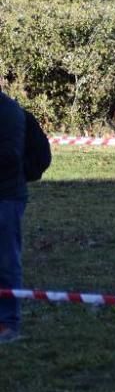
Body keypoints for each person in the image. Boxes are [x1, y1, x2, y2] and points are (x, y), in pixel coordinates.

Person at [0, 90, 31, 343]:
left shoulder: (9, 112)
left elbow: (10, 155)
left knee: (7, 261)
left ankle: (9, 323)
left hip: (6, 196)